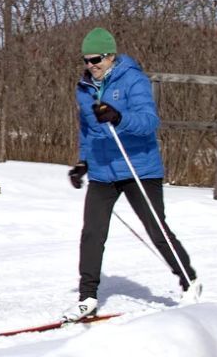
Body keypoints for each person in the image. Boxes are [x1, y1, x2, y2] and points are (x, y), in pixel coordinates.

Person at [62, 27, 201, 322]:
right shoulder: (83, 87)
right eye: (86, 60)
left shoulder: (133, 79)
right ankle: (87, 297)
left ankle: (189, 280)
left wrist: (119, 117)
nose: (91, 65)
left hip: (139, 168)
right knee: (92, 233)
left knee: (156, 229)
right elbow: (87, 129)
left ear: (111, 56)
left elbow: (149, 121)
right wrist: (83, 162)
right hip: (102, 171)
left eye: (96, 59)